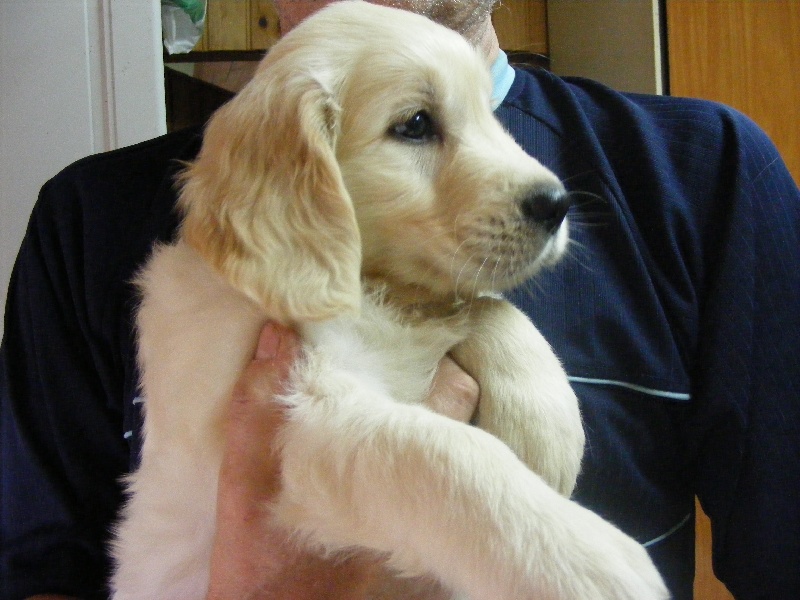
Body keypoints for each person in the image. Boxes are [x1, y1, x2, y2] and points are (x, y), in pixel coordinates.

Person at [1, 0, 798, 598]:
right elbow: (310, 426)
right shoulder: (102, 229)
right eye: (417, 124)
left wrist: (501, 341)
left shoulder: (709, 177)